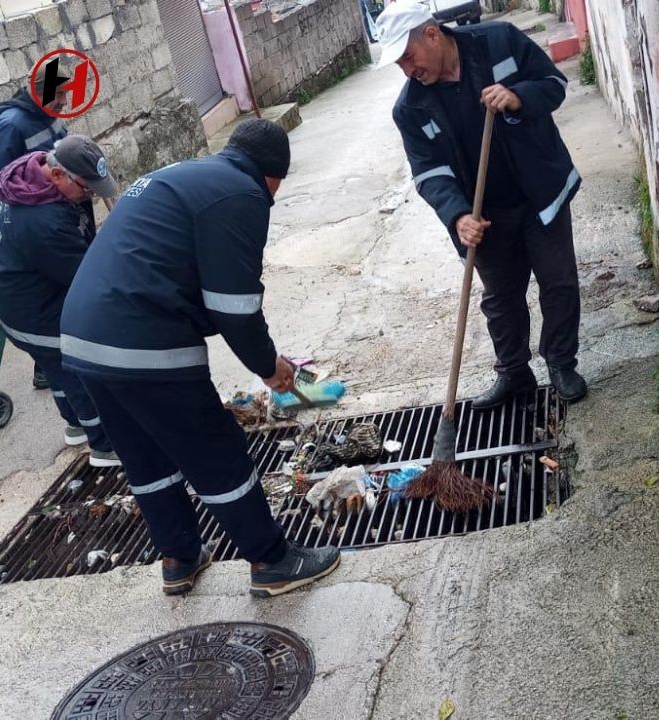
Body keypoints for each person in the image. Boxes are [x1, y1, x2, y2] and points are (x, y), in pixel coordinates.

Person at [61, 119, 341, 598]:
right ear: (272, 174)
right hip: (142, 340)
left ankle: (179, 558)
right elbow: (233, 305)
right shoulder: (243, 194)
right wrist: (271, 368)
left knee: (145, 455)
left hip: (82, 341)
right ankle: (272, 560)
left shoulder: (187, 174)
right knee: (214, 450)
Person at [377, 1, 588, 407]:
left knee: (557, 282)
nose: (408, 70)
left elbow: (554, 85)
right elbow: (429, 172)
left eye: (408, 57)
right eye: (399, 65)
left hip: (539, 192)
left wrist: (517, 96)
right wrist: (457, 216)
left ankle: (561, 363)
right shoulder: (410, 108)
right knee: (500, 297)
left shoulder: (499, 41)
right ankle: (514, 373)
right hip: (483, 215)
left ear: (433, 35)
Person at [0, 135, 120, 468]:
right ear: (59, 175)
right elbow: (88, 279)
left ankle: (76, 426)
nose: (90, 195)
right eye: (86, 188)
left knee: (55, 368)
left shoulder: (33, 172)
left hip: (18, 294)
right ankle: (105, 446)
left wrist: (98, 195)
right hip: (33, 312)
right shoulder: (42, 223)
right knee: (78, 371)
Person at [0, 61, 73, 391]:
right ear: (40, 92)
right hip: (32, 230)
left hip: (56, 218)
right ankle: (44, 366)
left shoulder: (51, 118)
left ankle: (52, 360)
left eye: (65, 93)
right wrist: (9, 234)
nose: (64, 100)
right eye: (59, 94)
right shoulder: (11, 126)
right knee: (42, 292)